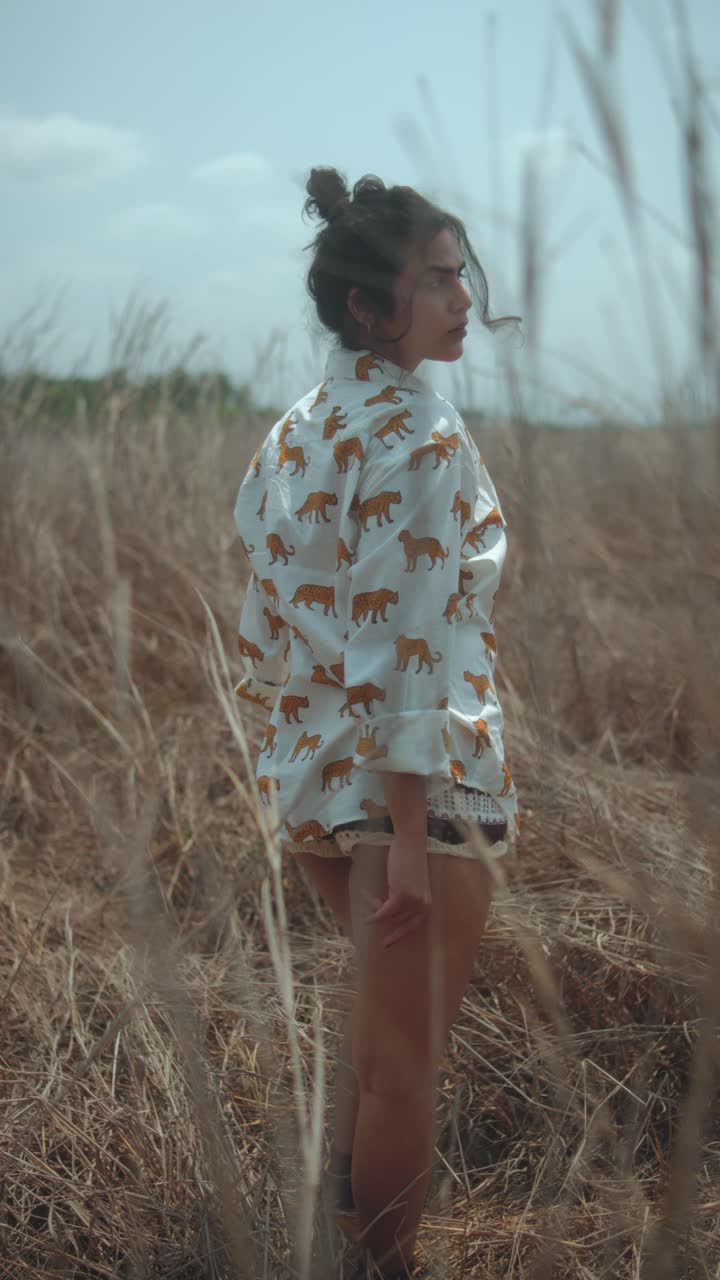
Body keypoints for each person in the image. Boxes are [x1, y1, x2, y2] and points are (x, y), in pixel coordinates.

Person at [232, 166, 522, 1279]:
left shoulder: (295, 431)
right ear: (368, 305)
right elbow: (407, 632)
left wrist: (299, 757)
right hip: (415, 793)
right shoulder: (422, 438)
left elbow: (267, 609)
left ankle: (343, 1258)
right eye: (436, 279)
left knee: (371, 1057)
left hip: (314, 778)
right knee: (403, 1066)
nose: (460, 299)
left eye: (463, 277)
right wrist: (409, 827)